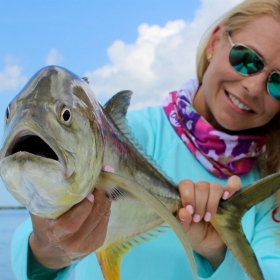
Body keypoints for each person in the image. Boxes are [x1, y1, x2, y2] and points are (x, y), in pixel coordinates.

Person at [11, 0, 280, 279]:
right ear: (214, 44)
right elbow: (34, 256)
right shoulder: (121, 135)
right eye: (247, 60)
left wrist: (217, 251)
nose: (252, 87)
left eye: (277, 82)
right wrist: (47, 249)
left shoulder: (272, 189)